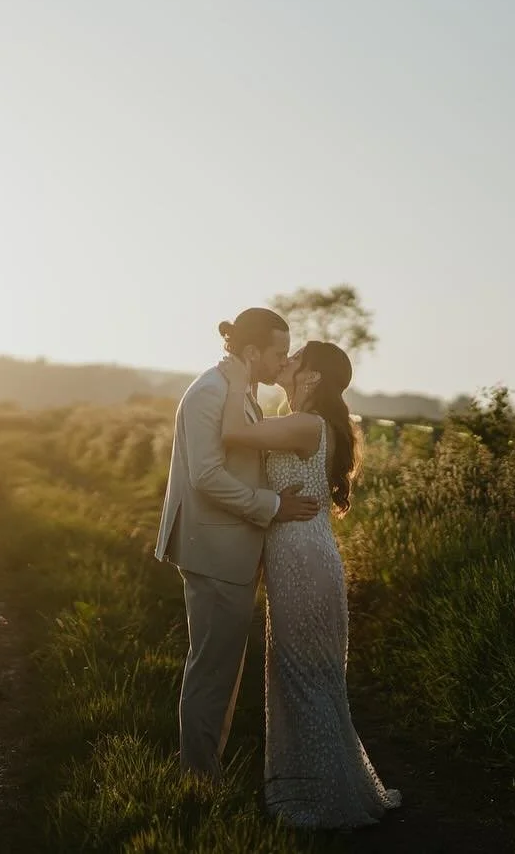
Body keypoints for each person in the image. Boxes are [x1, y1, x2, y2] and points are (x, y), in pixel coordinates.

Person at [217, 340, 401, 829]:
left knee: (304, 677)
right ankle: (322, 789)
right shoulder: (301, 419)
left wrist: (238, 381)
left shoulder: (306, 425)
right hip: (300, 557)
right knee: (301, 676)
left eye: (295, 357)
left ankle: (324, 803)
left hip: (304, 562)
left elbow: (233, 432)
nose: (287, 360)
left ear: (314, 376)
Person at [153, 307, 323, 780]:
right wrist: (271, 506)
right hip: (214, 550)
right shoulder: (212, 392)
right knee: (212, 672)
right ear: (251, 351)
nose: (281, 362)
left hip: (226, 549)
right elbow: (207, 476)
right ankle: (198, 780)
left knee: (221, 671)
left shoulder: (235, 390)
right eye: (277, 353)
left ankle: (205, 771)